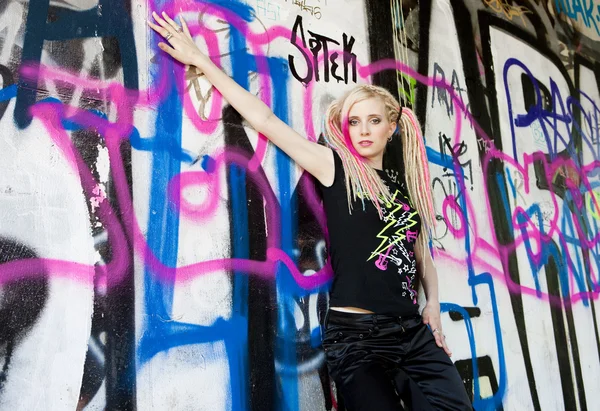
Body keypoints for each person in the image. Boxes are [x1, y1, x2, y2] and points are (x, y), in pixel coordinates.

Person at [148, 11, 473, 411]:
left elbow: (421, 256)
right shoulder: (334, 166)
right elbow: (265, 119)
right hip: (357, 340)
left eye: (374, 121)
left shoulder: (405, 187)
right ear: (345, 128)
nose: (365, 130)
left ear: (392, 127)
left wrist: (433, 303)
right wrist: (202, 60)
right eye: (355, 122)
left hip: (412, 334)